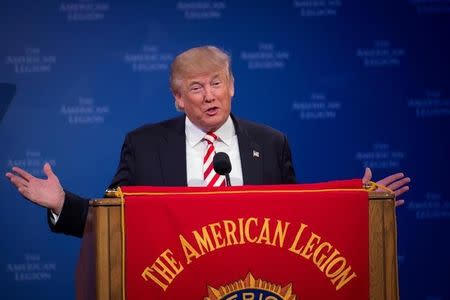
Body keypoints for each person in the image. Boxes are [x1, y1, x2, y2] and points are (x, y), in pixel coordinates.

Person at [5, 46, 410, 238]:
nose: (210, 95)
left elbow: (296, 220)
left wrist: (361, 203)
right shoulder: (145, 145)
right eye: (196, 88)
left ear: (232, 86)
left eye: (217, 83)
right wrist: (62, 204)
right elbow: (117, 221)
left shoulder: (271, 143)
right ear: (179, 99)